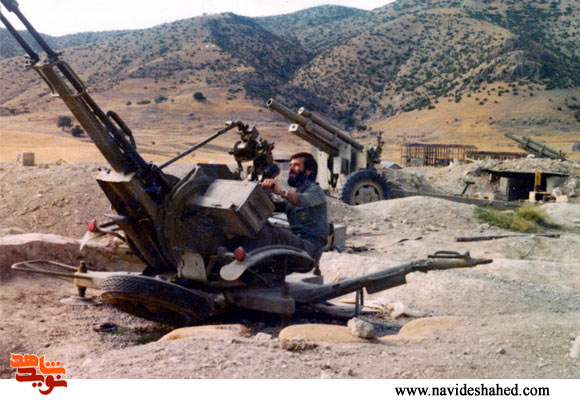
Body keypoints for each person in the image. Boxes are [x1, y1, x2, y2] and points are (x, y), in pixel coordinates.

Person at [240, 152, 329, 263]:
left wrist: (280, 191)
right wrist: (267, 183)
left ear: (308, 171)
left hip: (311, 248)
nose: (291, 169)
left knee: (273, 233)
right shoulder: (296, 194)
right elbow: (270, 207)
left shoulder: (316, 191)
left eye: (296, 165)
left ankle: (246, 260)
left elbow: (301, 200)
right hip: (298, 242)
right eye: (290, 165)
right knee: (260, 226)